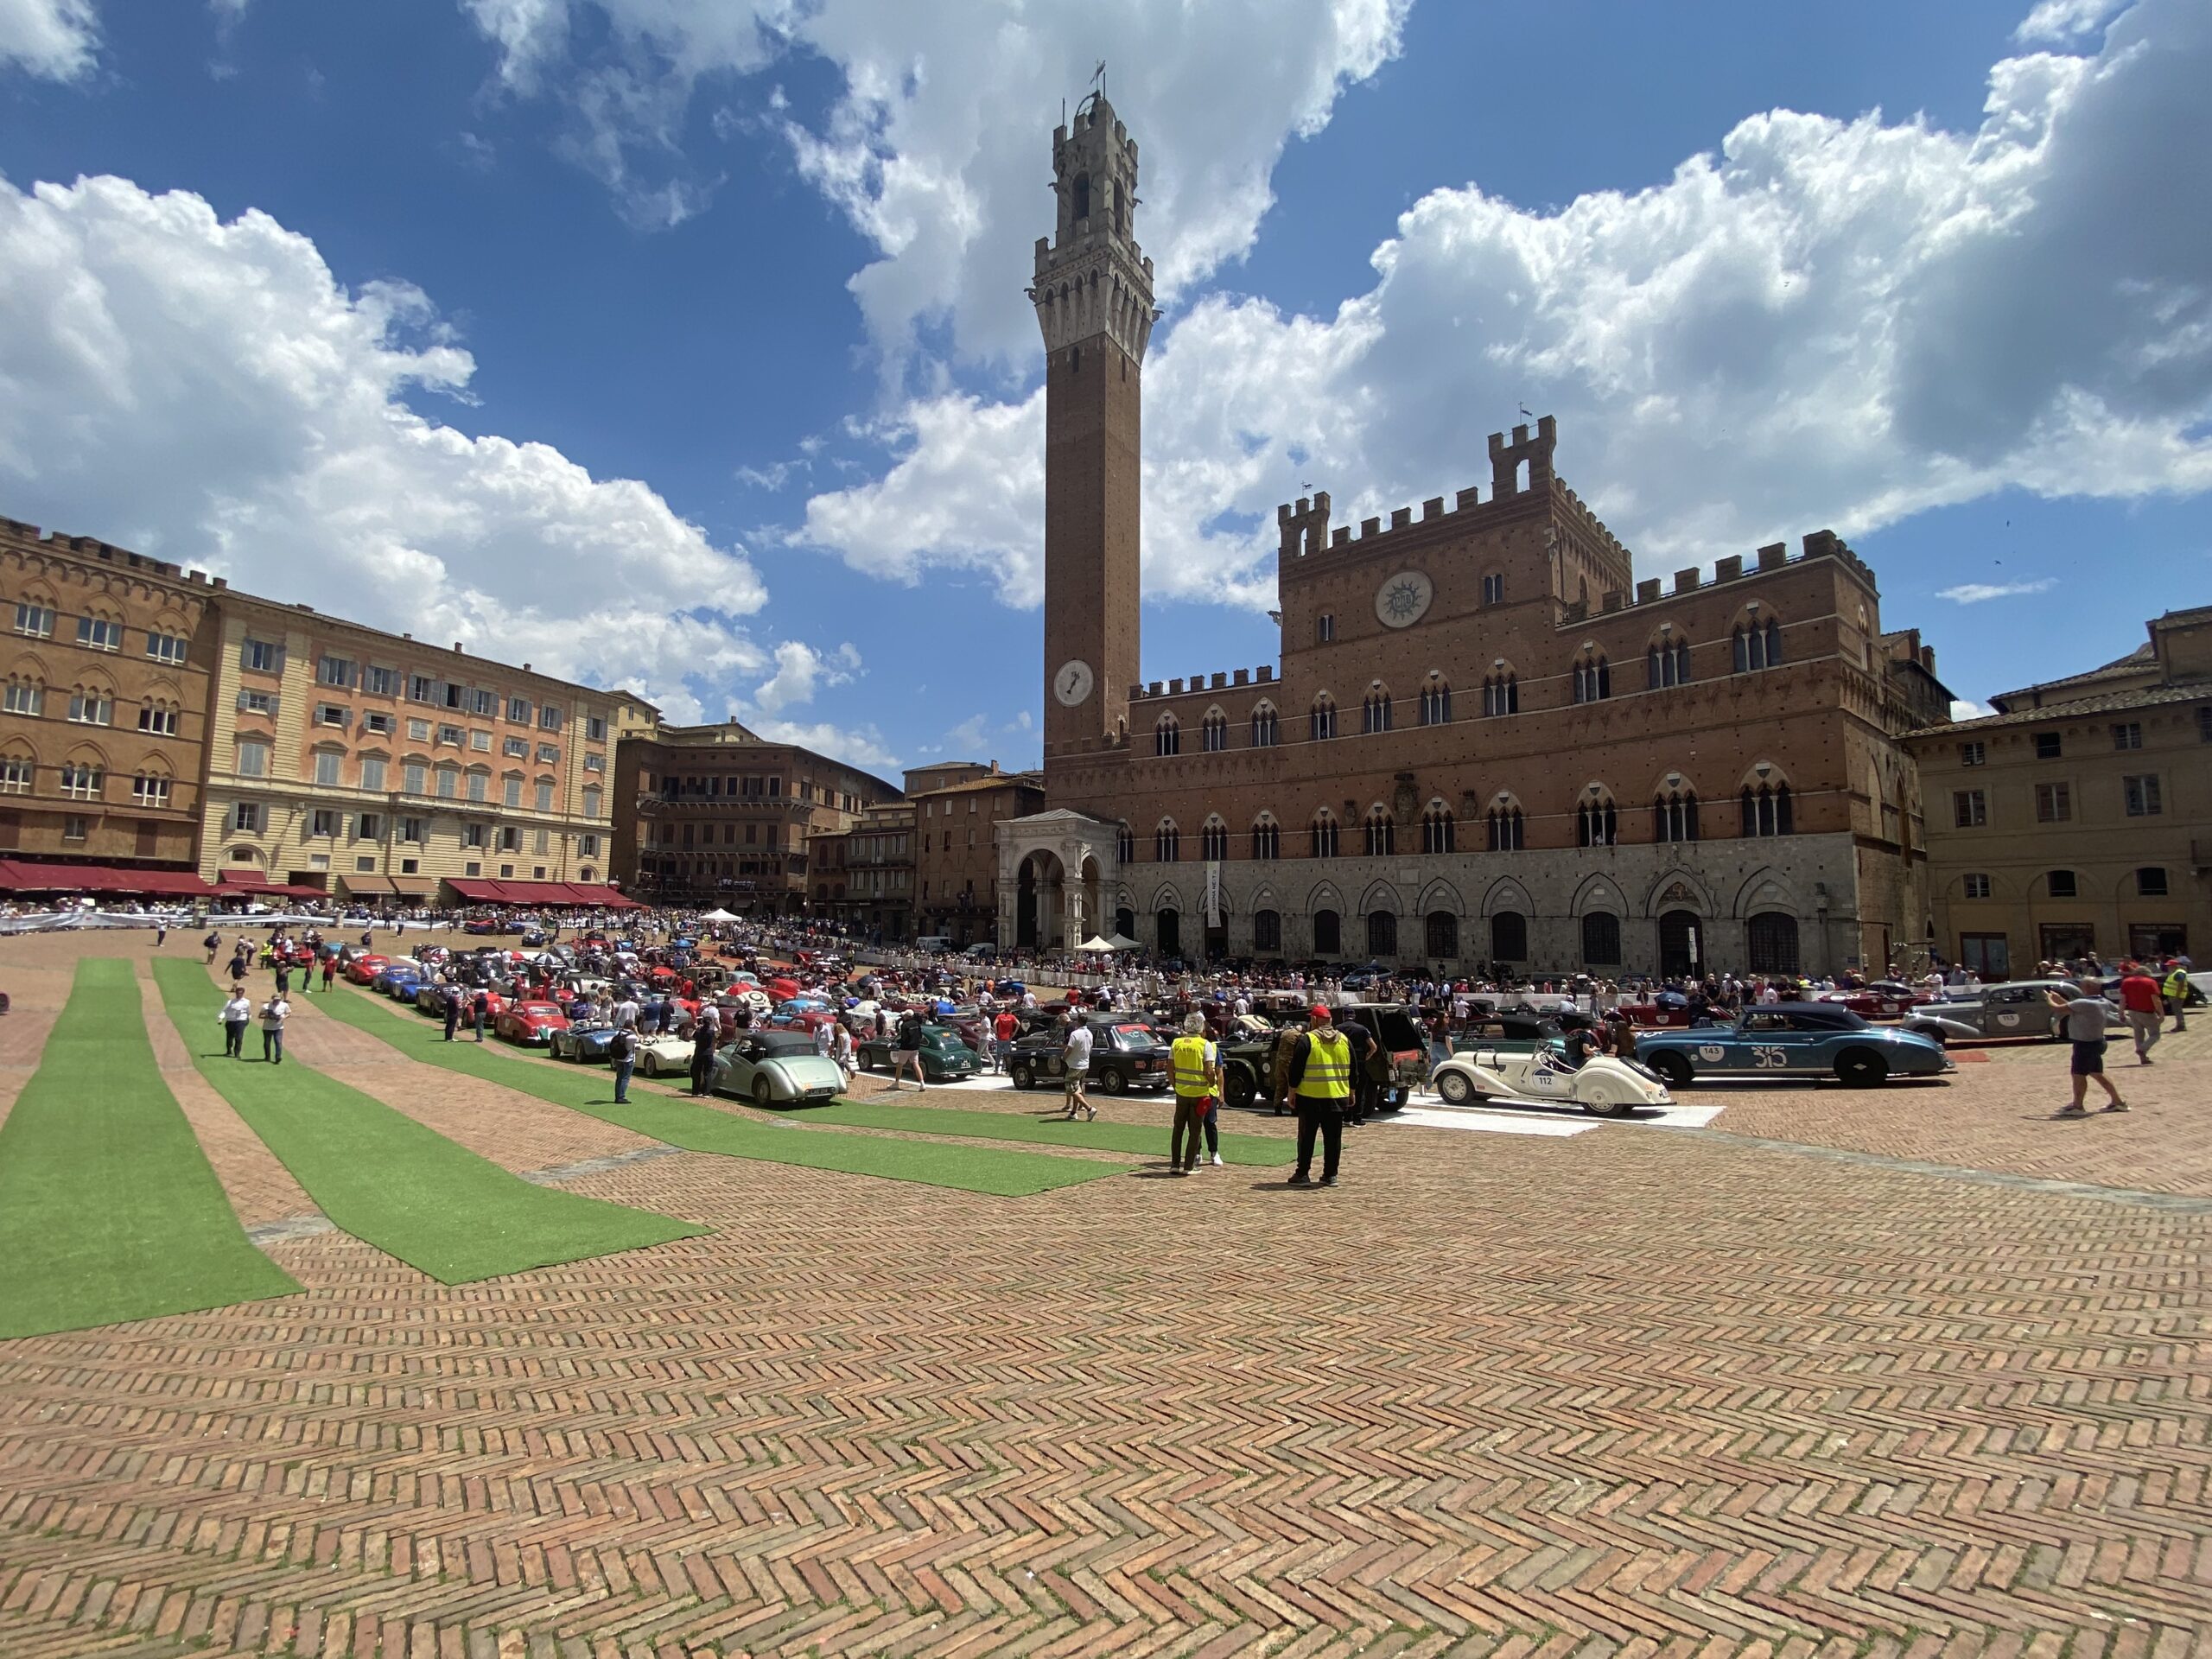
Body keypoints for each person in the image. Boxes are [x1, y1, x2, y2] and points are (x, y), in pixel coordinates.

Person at [1284, 1006, 1351, 1187]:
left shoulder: (1308, 1040)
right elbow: (1354, 1070)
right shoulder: (1344, 1040)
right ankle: (1330, 1175)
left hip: (1310, 1097)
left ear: (1314, 1020)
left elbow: (1296, 1069)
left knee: (1306, 1138)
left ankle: (1303, 1173)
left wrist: (1291, 1091)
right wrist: (1352, 1091)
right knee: (1334, 1139)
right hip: (1337, 1096)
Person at [2047, 981, 2126, 1116]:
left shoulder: (2084, 1003)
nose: (2080, 987)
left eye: (2082, 985)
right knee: (2097, 1073)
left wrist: (2048, 998)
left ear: (2088, 987)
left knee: (2078, 1074)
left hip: (2085, 1043)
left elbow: (2057, 1008)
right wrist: (2057, 997)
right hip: (2097, 1042)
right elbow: (2070, 1007)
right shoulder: (2102, 1001)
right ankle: (2117, 1102)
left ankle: (2078, 1106)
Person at [1168, 1012, 1220, 1173]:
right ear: (1201, 1028)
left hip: (1182, 1092)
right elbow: (1209, 1071)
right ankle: (1189, 1166)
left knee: (1178, 1129)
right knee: (1195, 1130)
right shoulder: (1205, 1045)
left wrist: (1175, 1084)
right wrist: (1212, 1083)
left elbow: (1170, 1067)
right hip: (1199, 1093)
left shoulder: (1176, 1043)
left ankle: (1175, 1164)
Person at [2116, 963, 2164, 1065]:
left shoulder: (2126, 982)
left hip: (2132, 1011)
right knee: (2155, 1034)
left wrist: (2121, 1013)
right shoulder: (2150, 982)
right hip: (2147, 1012)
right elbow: (2156, 999)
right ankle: (2142, 1049)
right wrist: (2161, 1013)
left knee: (2138, 1034)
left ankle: (2143, 1058)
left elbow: (2123, 999)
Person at [1060, 1014, 1096, 1121]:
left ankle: (1089, 1109)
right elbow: (1090, 1049)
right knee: (1077, 1089)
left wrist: (1064, 1057)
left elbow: (1069, 1048)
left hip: (1075, 1065)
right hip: (1085, 1064)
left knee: (1071, 1089)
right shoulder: (1089, 1033)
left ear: (1078, 1022)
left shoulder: (1075, 1034)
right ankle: (1073, 1112)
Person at [891, 1008, 928, 1091]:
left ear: (908, 1016)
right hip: (915, 1048)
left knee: (900, 1065)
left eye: (904, 1015)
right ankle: (922, 1084)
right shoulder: (917, 1024)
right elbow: (920, 1036)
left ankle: (896, 1083)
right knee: (916, 1064)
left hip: (906, 1048)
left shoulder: (904, 1025)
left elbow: (904, 1038)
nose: (903, 1017)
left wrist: (898, 1041)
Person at [219, 988, 252, 1058]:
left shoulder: (246, 1002)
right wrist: (221, 1018)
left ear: (243, 993)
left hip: (241, 1021)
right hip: (231, 1021)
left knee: (239, 1038)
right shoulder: (230, 1002)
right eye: (237, 993)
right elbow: (224, 1010)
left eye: (240, 993)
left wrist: (248, 1018)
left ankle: (237, 1053)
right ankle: (229, 1050)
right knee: (230, 1037)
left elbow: (249, 1011)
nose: (238, 994)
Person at [258, 992, 289, 1065]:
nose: (277, 1001)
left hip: (278, 1027)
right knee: (267, 1042)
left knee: (278, 1042)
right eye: (275, 999)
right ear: (272, 999)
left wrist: (282, 1019)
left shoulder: (284, 1005)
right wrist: (268, 1017)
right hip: (267, 1027)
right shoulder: (266, 1006)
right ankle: (267, 1056)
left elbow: (288, 1013)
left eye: (278, 999)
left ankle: (278, 1057)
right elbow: (260, 1016)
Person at [607, 1024, 636, 1104]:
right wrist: (636, 1030)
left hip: (619, 1058)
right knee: (625, 1078)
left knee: (619, 1078)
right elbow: (639, 1038)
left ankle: (617, 1096)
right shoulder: (632, 1036)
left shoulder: (619, 1033)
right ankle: (621, 1097)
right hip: (628, 1060)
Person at [2163, 960, 2191, 1033]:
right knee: (2176, 1010)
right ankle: (2180, 1025)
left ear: (2175, 965)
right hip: (2174, 995)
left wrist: (2177, 996)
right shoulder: (2176, 972)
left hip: (2177, 996)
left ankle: (2181, 1026)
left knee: (2177, 1011)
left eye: (2169, 965)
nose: (2168, 967)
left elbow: (2181, 985)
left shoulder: (2179, 973)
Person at [992, 1006, 1019, 1075]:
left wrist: (996, 1033)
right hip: (1008, 1037)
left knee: (998, 1054)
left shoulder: (1000, 1016)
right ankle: (1004, 1068)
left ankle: (996, 1069)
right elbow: (1018, 1024)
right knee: (1006, 1054)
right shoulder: (1012, 1017)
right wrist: (1014, 1033)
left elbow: (994, 1024)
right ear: (1010, 1011)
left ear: (1004, 1010)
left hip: (1000, 1037)